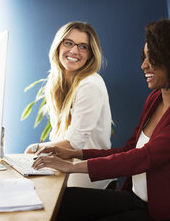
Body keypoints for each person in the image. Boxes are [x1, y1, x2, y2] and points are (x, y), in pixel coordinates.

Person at [32, 19, 170, 220]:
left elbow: (145, 157)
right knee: (62, 200)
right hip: (136, 199)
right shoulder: (155, 98)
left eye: (152, 59)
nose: (144, 65)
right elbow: (129, 150)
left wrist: (73, 166)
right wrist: (73, 153)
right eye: (144, 57)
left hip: (163, 212)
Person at [25, 21, 114, 189]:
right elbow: (61, 137)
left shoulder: (89, 85)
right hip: (66, 166)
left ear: (90, 54)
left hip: (88, 175)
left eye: (83, 47)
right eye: (69, 43)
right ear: (58, 46)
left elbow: (74, 143)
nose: (74, 51)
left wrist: (35, 148)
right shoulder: (56, 82)